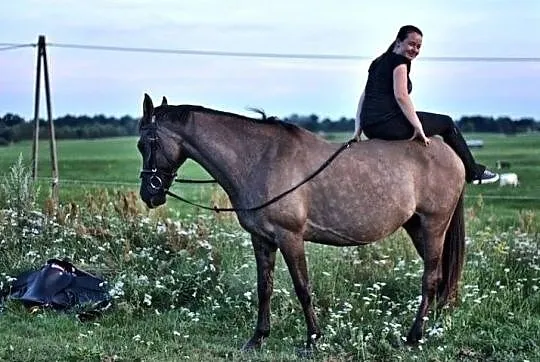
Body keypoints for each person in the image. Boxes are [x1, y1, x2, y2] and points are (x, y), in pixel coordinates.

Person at [352, 25, 499, 185]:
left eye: (418, 46)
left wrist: (358, 128)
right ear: (398, 42)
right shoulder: (400, 62)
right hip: (389, 125)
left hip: (371, 127)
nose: (414, 49)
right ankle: (473, 172)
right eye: (411, 44)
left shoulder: (378, 62)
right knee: (447, 123)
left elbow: (364, 96)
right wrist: (418, 127)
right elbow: (401, 96)